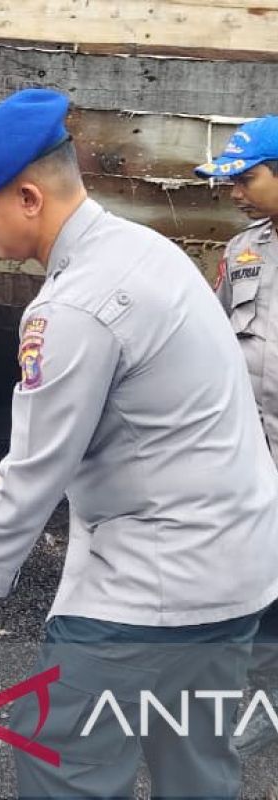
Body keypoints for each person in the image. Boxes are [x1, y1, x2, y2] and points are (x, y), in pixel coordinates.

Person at [0, 89, 278, 798]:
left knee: (67, 762)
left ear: (29, 197)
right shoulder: (145, 251)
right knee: (196, 764)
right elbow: (129, 415)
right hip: (235, 564)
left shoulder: (73, 306)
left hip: (155, 582)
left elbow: (37, 472)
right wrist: (7, 482)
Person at [194, 115, 278, 756]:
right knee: (248, 573)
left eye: (246, 179)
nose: (233, 192)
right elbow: (217, 340)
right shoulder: (243, 251)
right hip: (251, 449)